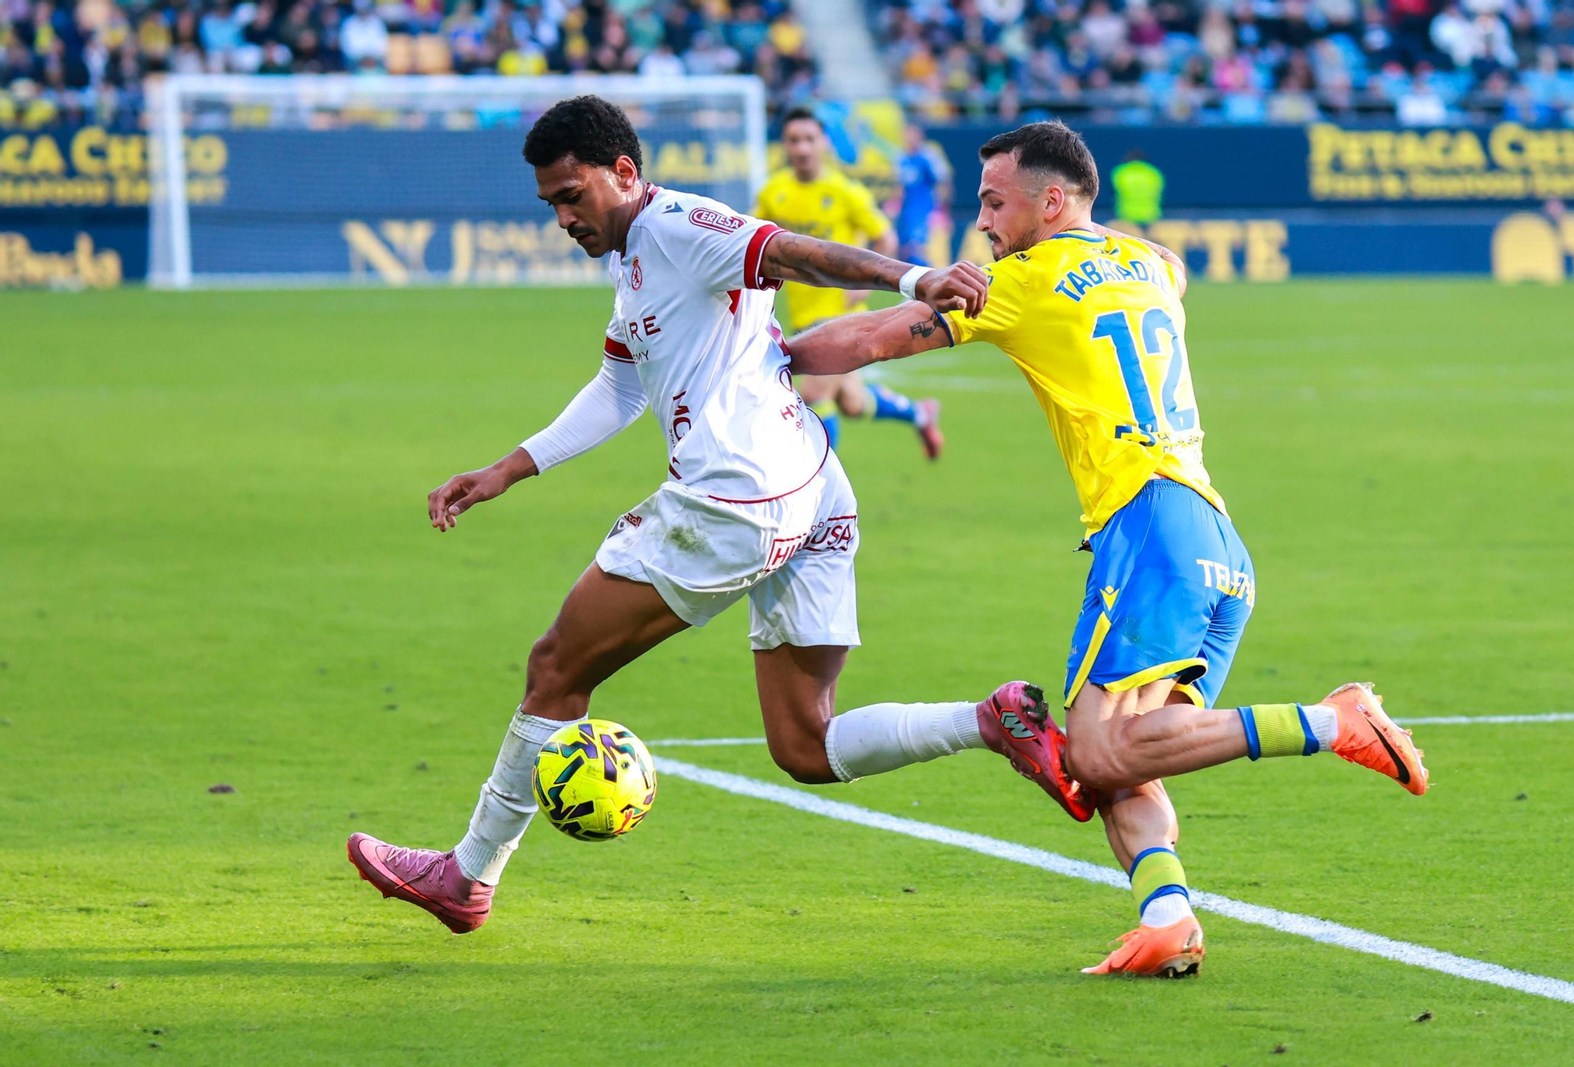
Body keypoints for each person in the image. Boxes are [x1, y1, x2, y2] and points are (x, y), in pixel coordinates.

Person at [346, 97, 1089, 935]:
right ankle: (990, 719)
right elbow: (621, 386)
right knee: (806, 746)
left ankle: (466, 874)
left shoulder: (678, 225)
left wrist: (914, 277)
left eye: (572, 195)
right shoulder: (634, 259)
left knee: (557, 668)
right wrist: (509, 469)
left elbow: (791, 253)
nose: (562, 217)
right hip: (811, 486)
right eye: (550, 203)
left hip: (733, 501)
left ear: (624, 172)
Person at [785, 121, 1429, 978]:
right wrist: (1098, 242)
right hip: (1209, 531)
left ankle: (1332, 719)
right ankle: (1168, 916)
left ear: (1051, 202)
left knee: (1093, 751)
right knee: (1122, 760)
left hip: (1149, 526)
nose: (981, 220)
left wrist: (765, 356)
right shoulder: (1151, 265)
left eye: (994, 201)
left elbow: (864, 341)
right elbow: (1172, 260)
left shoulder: (1018, 280)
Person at [755, 107, 944, 458]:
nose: (802, 148)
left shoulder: (845, 191)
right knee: (853, 403)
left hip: (841, 314)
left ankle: (820, 486)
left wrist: (863, 289)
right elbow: (757, 242)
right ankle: (920, 414)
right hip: (801, 312)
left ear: (823, 143)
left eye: (809, 139)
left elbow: (884, 239)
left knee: (815, 395)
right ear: (785, 145)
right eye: (794, 140)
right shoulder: (773, 191)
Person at [895, 122, 952, 266]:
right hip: (907, 209)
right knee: (906, 247)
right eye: (906, 135)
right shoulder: (901, 159)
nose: (908, 138)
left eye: (911, 135)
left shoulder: (928, 157)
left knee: (919, 246)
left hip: (925, 208)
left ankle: (928, 276)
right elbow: (900, 187)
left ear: (919, 136)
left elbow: (943, 180)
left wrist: (943, 207)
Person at [1110, 148, 1163, 225]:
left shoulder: (1121, 172)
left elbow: (1113, 192)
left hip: (1125, 215)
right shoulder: (1153, 173)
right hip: (1151, 215)